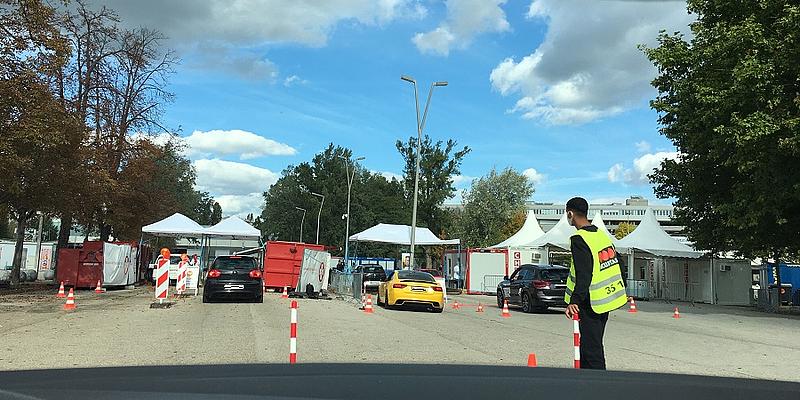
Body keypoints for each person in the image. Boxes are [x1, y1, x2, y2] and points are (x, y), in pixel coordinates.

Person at [563, 197, 628, 370]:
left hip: (591, 303)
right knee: (590, 345)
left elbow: (584, 273)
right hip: (606, 299)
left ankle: (599, 386)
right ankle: (586, 383)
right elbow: (619, 263)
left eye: (566, 214)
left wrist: (574, 301)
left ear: (570, 214)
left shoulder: (579, 239)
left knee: (592, 351)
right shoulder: (600, 235)